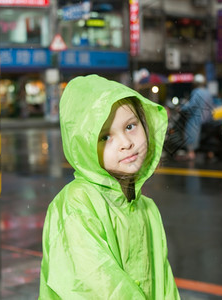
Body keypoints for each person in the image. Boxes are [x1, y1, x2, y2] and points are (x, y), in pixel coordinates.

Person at [39, 75, 180, 299]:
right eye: (105, 137)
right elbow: (95, 287)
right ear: (85, 145)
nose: (126, 143)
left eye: (130, 126)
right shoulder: (76, 204)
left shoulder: (146, 208)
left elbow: (163, 283)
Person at [180, 74, 214, 160]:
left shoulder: (196, 92)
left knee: (190, 129)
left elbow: (192, 105)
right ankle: (209, 152)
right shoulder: (207, 92)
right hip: (208, 118)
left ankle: (191, 152)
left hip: (197, 118)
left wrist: (182, 108)